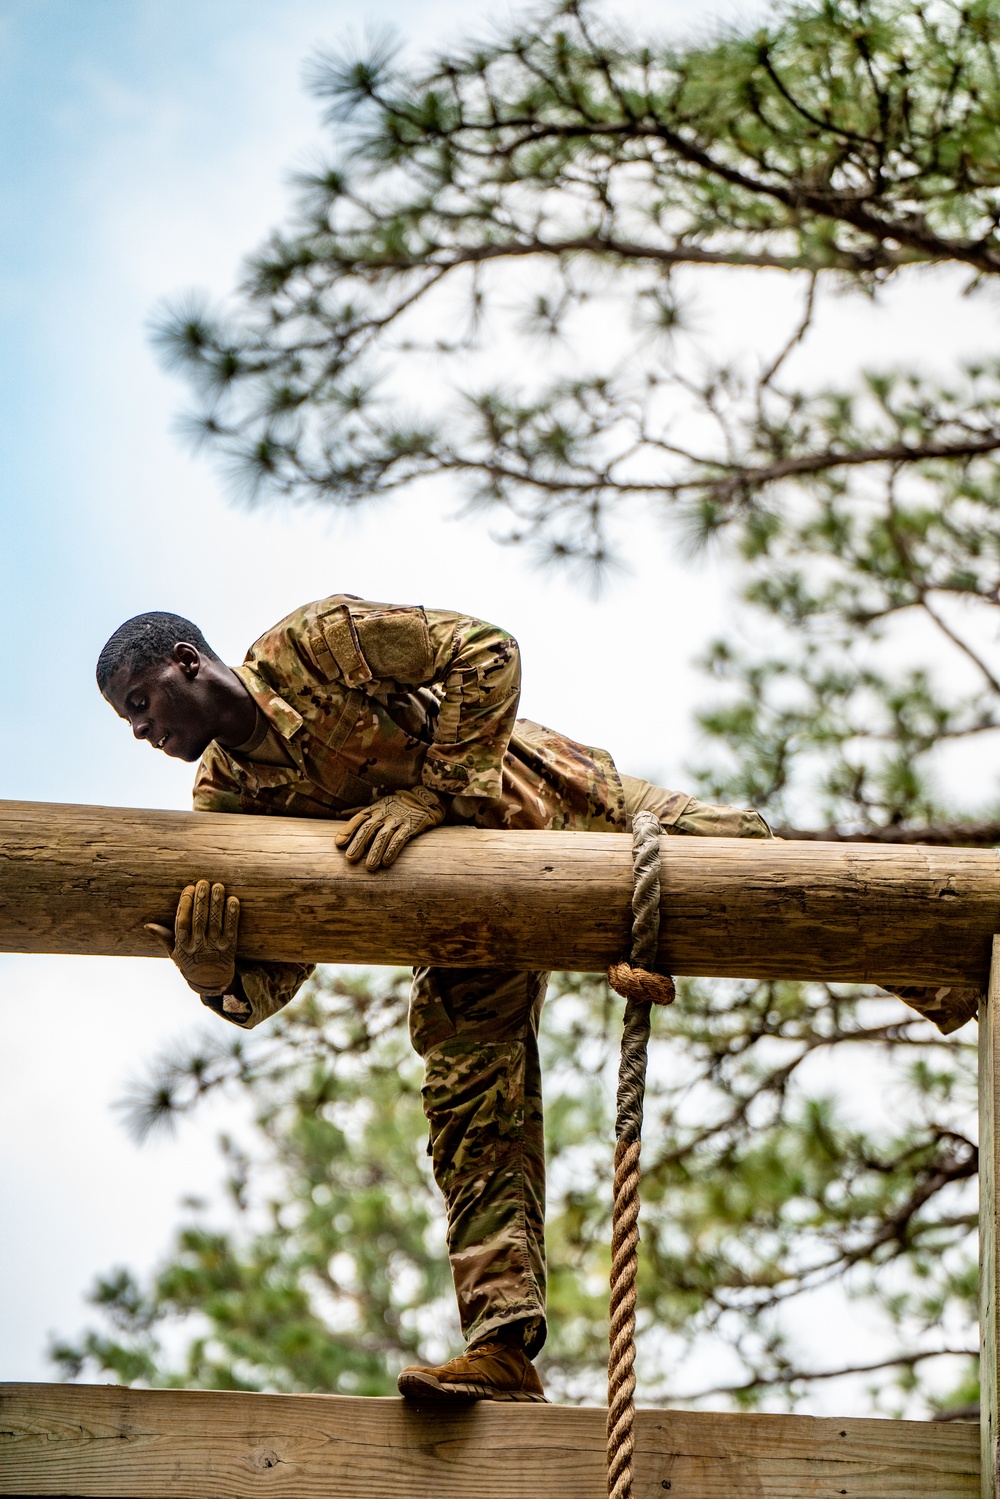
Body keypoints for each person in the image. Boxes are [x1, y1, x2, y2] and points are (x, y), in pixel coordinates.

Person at [97, 594, 977, 1404]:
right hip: (462, 922)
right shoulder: (226, 803)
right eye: (126, 722)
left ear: (186, 661)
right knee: (469, 1103)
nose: (142, 731)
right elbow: (273, 979)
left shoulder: (319, 647)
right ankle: (503, 1344)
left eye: (141, 703)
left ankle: (947, 973)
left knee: (740, 852)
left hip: (557, 806)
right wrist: (215, 976)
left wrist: (434, 796)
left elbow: (488, 651)